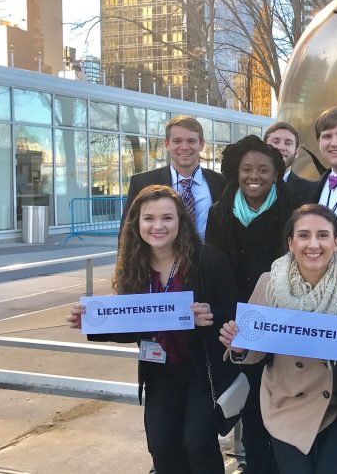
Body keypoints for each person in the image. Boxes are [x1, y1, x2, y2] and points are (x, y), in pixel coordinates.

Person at [67, 185, 240, 474]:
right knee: (161, 445)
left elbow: (235, 311)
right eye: (149, 218)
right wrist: (94, 322)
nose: (157, 226)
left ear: (180, 222)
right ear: (137, 223)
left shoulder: (208, 260)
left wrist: (211, 315)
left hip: (203, 368)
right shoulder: (134, 267)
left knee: (197, 443)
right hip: (159, 369)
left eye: (167, 218)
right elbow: (133, 326)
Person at [219, 204, 337, 474]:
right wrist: (239, 345)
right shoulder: (270, 282)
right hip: (286, 399)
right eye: (304, 235)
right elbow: (255, 348)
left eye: (323, 235)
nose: (313, 244)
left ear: (336, 242)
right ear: (291, 243)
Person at [206, 135, 294, 474]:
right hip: (238, 326)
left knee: (284, 406)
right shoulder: (220, 212)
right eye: (246, 169)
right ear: (235, 171)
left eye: (262, 169)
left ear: (275, 174)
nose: (253, 176)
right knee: (253, 410)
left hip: (281, 322)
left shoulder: (291, 209)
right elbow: (213, 267)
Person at [122, 115, 225, 241]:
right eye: (177, 141)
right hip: (160, 260)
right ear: (167, 144)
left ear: (201, 145)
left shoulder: (221, 183)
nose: (184, 147)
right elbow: (126, 234)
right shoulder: (142, 183)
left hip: (210, 259)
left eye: (191, 141)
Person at [264, 121, 316, 206]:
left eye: (288, 143)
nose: (281, 147)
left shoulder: (312, 190)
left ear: (297, 152)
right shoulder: (243, 186)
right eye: (276, 142)